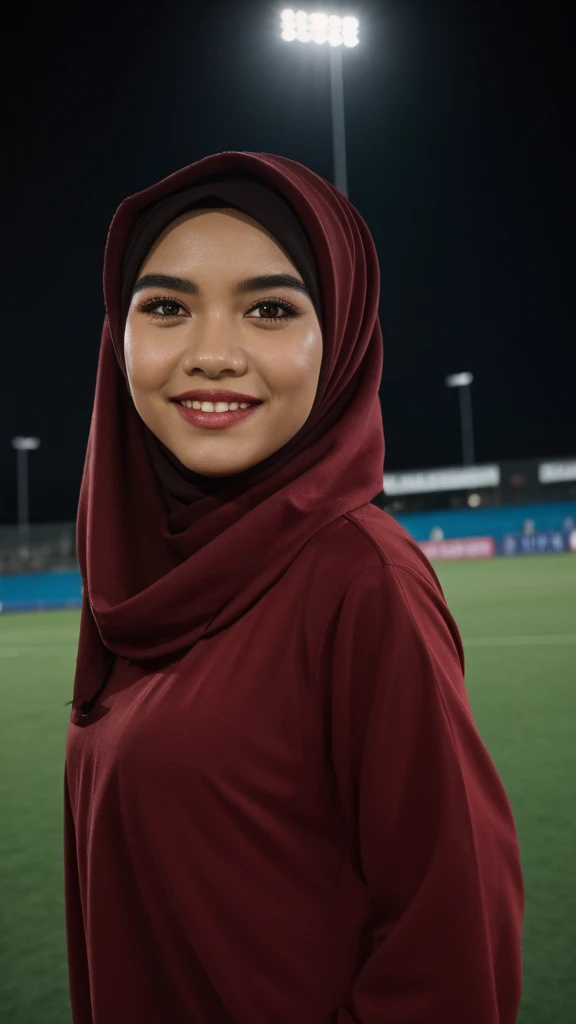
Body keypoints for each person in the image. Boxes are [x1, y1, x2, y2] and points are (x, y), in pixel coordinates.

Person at [64, 151, 524, 1024]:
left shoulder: (361, 581)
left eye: (270, 309)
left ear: (343, 335)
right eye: (165, 307)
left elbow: (453, 951)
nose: (211, 354)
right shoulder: (137, 578)